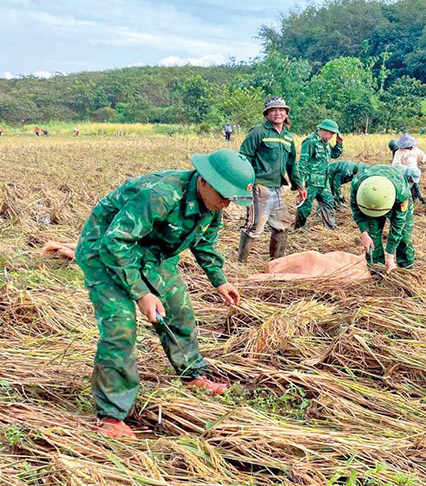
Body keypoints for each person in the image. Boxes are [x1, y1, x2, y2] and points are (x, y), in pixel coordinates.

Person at [75, 148, 255, 439]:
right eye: (224, 195)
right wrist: (141, 293)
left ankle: (192, 375)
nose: (226, 203)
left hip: (154, 254)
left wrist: (219, 280)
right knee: (121, 326)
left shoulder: (213, 206)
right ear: (204, 181)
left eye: (231, 198)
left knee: (179, 311)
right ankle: (110, 415)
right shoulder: (159, 195)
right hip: (105, 252)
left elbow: (204, 243)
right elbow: (116, 243)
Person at [238, 96, 306, 262]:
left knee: (282, 226)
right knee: (254, 226)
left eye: (281, 110)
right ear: (267, 114)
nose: (278, 113)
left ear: (286, 113)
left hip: (277, 188)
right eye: (273, 110)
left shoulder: (288, 137)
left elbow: (292, 164)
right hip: (259, 186)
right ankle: (241, 265)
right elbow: (244, 157)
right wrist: (246, 182)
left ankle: (276, 263)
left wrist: (299, 185)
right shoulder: (258, 133)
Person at [350, 164, 415, 273]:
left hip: (395, 194)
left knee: (404, 237)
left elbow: (398, 224)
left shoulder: (401, 193)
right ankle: (377, 271)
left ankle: (407, 270)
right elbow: (357, 211)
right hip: (369, 200)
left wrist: (390, 256)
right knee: (372, 238)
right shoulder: (358, 185)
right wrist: (364, 233)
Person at [294, 119, 343, 231]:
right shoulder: (310, 142)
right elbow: (302, 163)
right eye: (331, 133)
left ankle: (330, 229)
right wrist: (301, 183)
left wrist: (339, 143)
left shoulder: (325, 143)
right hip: (310, 182)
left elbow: (334, 155)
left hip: (323, 182)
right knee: (305, 207)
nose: (331, 136)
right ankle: (299, 229)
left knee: (328, 203)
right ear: (324, 130)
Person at [391, 134, 426, 205]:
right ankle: (406, 202)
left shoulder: (415, 150)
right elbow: (395, 165)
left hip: (414, 173)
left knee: (416, 186)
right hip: (405, 175)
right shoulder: (399, 152)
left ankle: (419, 199)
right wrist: (406, 170)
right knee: (406, 189)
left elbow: (423, 156)